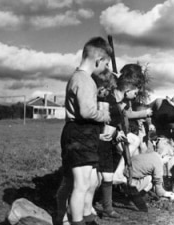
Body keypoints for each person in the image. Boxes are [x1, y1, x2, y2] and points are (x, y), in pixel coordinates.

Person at [56, 36, 112, 225]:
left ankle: (87, 217)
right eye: (105, 64)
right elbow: (86, 111)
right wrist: (103, 115)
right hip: (80, 134)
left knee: (90, 182)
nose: (105, 69)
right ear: (98, 60)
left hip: (83, 134)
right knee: (81, 185)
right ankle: (78, 221)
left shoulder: (78, 77)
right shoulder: (85, 80)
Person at [92, 70, 140, 219]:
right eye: (135, 92)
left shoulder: (118, 102)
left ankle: (107, 208)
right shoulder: (107, 98)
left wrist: (115, 134)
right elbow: (99, 120)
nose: (136, 95)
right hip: (98, 142)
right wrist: (113, 134)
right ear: (127, 90)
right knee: (93, 179)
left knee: (107, 176)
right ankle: (83, 207)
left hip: (107, 143)